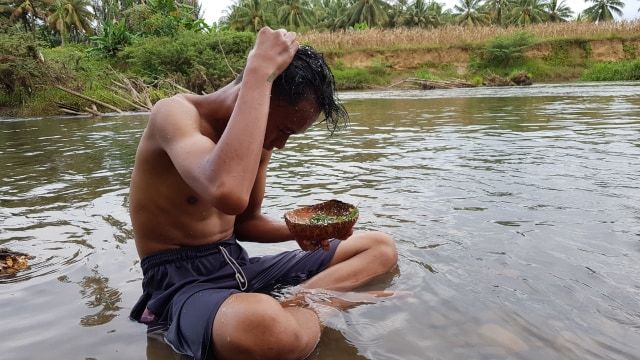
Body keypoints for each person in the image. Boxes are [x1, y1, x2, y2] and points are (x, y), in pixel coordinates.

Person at [128, 27, 398, 360]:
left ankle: (304, 301)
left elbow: (246, 222)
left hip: (235, 263)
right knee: (263, 330)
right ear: (255, 94)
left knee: (379, 247)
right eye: (284, 129)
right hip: (182, 283)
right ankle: (312, 311)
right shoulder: (175, 114)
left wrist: (304, 231)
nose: (281, 143)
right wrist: (258, 71)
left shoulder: (261, 140)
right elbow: (227, 193)